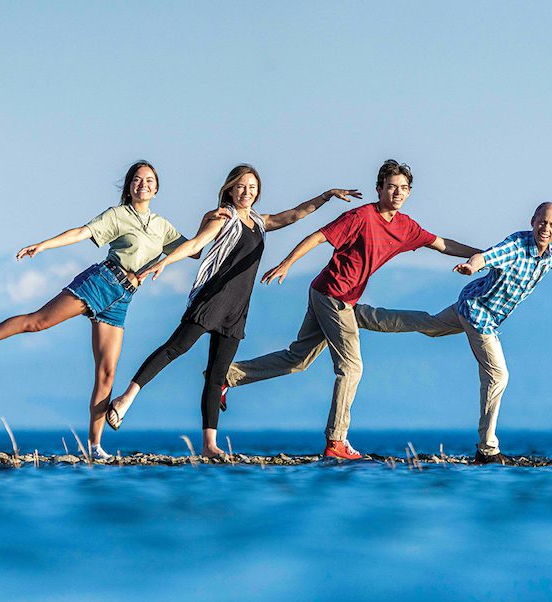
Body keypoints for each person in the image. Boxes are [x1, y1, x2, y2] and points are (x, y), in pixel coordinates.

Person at [221, 160, 483, 460]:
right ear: (379, 189)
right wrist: (288, 263)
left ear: (409, 193)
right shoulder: (360, 216)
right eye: (392, 187)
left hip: (342, 299)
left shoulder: (406, 227)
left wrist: (482, 255)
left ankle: (226, 376)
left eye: (404, 188)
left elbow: (442, 244)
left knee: (298, 359)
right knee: (351, 367)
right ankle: (336, 441)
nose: (397, 193)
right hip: (332, 295)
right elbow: (318, 237)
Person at [353, 202, 552, 463]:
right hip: (478, 314)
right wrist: (471, 265)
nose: (545, 228)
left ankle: (362, 316)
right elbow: (486, 257)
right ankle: (487, 449)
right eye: (542, 222)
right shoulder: (517, 246)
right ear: (532, 221)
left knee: (429, 325)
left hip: (471, 307)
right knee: (498, 375)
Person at [0, 160, 193, 460]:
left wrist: (217, 219)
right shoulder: (118, 215)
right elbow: (81, 232)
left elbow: (195, 249)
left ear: (157, 187)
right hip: (102, 281)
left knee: (107, 373)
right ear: (128, 186)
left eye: (149, 180)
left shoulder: (163, 227)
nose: (143, 184)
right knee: (37, 322)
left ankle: (95, 446)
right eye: (137, 180)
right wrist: (43, 245)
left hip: (123, 298)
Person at [104, 164, 361, 459]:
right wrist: (165, 262)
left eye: (252, 188)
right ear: (229, 189)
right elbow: (196, 244)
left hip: (237, 308)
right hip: (212, 298)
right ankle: (126, 399)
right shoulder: (223, 218)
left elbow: (294, 214)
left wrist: (326, 195)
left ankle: (209, 445)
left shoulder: (259, 222)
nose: (246, 193)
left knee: (217, 375)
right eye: (240, 187)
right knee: (176, 348)